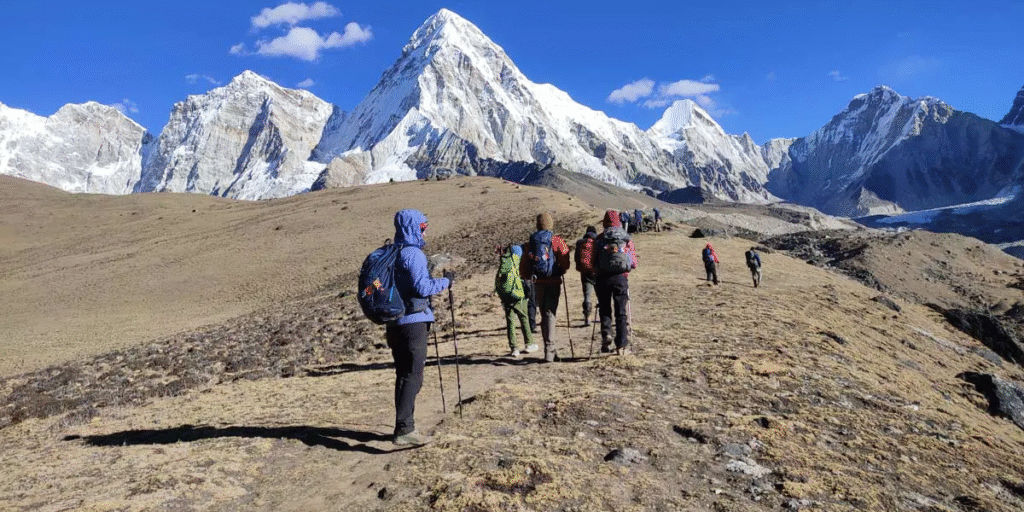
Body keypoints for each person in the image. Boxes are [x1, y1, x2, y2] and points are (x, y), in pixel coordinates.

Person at [386, 209, 452, 447]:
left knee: (404, 375)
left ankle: (405, 425)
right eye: (423, 228)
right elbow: (422, 288)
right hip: (413, 323)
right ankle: (404, 429)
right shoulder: (413, 254)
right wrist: (446, 281)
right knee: (413, 376)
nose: (425, 232)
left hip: (394, 323)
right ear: (413, 228)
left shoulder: (392, 253)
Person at [585, 210, 638, 356]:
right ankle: (621, 345)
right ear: (619, 222)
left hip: (602, 279)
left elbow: (592, 261)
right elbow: (633, 262)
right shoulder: (626, 238)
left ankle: (606, 335)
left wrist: (596, 270)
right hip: (621, 278)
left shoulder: (599, 239)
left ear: (604, 223)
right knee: (621, 312)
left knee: (604, 309)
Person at [520, 213, 570, 362]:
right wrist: (561, 269)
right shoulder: (556, 240)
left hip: (538, 282)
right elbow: (565, 260)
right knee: (550, 313)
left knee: (544, 314)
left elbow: (524, 265)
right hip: (553, 281)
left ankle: (550, 350)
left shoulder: (532, 242)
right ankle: (549, 351)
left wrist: (528, 276)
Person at [495, 244, 538, 357]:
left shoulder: (505, 262)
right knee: (524, 318)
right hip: (517, 295)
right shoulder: (517, 262)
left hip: (506, 296)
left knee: (510, 322)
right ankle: (529, 344)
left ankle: (514, 348)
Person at [574, 226, 599, 326]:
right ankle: (602, 316)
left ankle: (587, 317)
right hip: (597, 272)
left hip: (585, 273)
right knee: (601, 295)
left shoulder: (580, 243)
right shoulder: (598, 242)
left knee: (587, 295)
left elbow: (576, 258)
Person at [520, 244, 539, 334]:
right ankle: (532, 325)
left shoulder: (520, 257)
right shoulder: (531, 256)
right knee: (532, 303)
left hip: (521, 280)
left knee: (524, 303)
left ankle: (526, 324)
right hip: (530, 280)